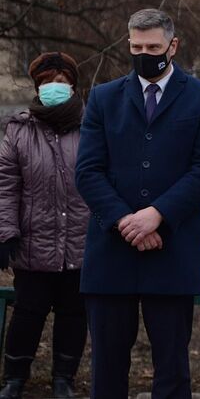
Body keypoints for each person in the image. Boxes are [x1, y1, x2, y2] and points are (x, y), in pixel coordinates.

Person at [75, 9, 200, 399]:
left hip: (172, 252)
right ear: (128, 44)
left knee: (172, 370)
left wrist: (157, 215)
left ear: (172, 46)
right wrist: (128, 221)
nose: (144, 54)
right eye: (137, 46)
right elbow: (88, 171)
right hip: (112, 252)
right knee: (106, 371)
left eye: (153, 47)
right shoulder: (104, 98)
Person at [0, 53, 89, 399]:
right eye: (47, 82)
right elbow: (6, 187)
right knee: (27, 314)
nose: (54, 87)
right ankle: (14, 379)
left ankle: (63, 379)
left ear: (73, 86)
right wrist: (6, 233)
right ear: (37, 87)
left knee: (73, 314)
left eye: (61, 81)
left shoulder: (91, 128)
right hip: (33, 246)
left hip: (80, 245)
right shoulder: (19, 130)